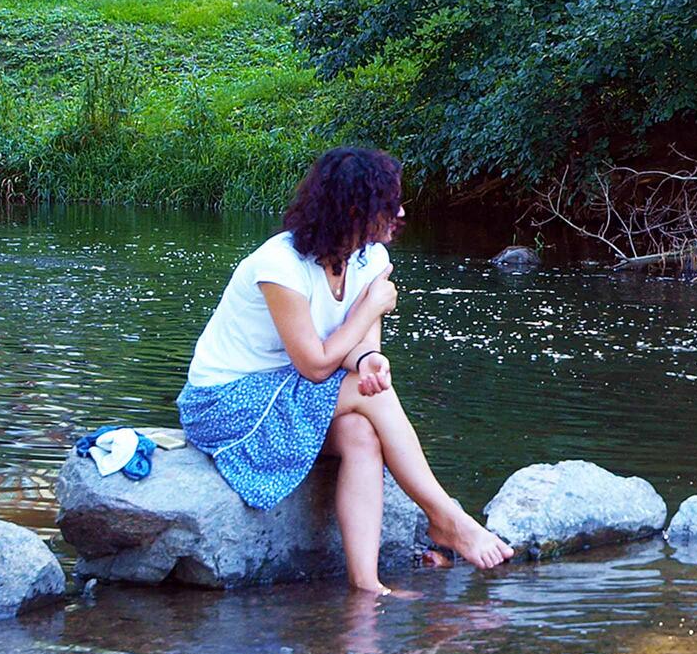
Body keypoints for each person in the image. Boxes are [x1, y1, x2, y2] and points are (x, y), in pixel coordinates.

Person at [177, 147, 513, 595]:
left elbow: (359, 350)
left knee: (361, 432)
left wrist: (371, 360)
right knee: (358, 394)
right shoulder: (279, 266)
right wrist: (371, 309)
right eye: (389, 204)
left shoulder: (369, 259)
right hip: (226, 402)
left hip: (287, 391)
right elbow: (315, 365)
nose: (400, 212)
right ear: (355, 209)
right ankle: (445, 517)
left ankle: (367, 585)